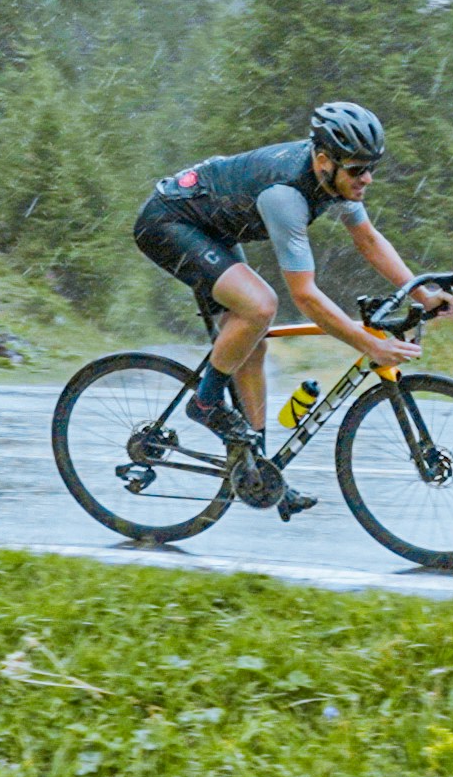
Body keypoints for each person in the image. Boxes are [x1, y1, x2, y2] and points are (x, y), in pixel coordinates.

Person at [133, 100, 415, 498]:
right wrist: (367, 342)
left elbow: (367, 239)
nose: (366, 179)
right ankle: (205, 403)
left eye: (371, 168)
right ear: (323, 160)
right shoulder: (286, 195)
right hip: (168, 222)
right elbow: (306, 296)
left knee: (254, 344)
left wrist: (421, 288)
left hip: (209, 228)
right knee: (261, 306)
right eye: (357, 169)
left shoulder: (334, 178)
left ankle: (257, 473)